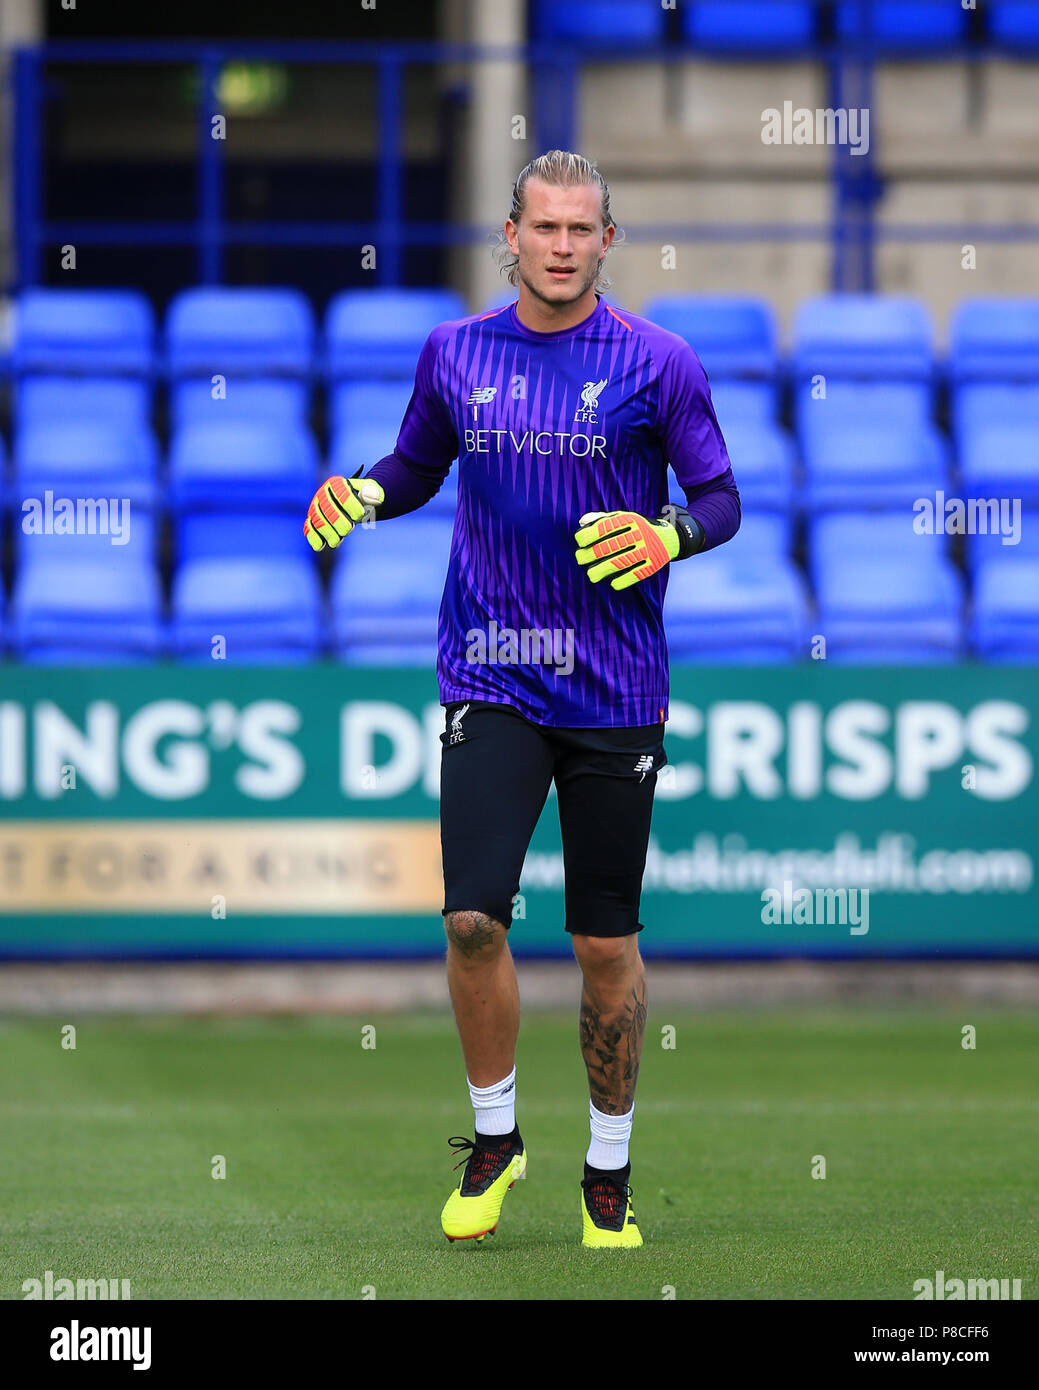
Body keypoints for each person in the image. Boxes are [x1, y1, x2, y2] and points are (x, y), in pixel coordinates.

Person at [305, 149, 741, 1248]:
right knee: (469, 918)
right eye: (539, 227)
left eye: (577, 229)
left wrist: (664, 534)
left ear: (606, 239)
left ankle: (608, 1165)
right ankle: (496, 1136)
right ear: (509, 233)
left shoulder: (658, 361)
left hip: (613, 686)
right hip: (490, 670)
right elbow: (417, 464)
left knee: (602, 944)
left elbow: (722, 497)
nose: (558, 244)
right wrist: (363, 489)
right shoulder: (454, 351)